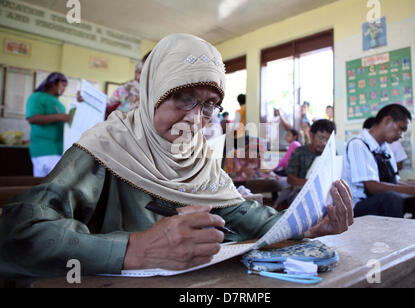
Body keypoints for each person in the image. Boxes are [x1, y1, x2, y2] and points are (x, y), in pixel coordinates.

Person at [0, 34, 353, 278]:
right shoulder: (106, 146)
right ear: (153, 89)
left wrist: (310, 225)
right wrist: (134, 248)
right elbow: (17, 231)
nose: (194, 119)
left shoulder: (197, 158)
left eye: (209, 106)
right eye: (182, 97)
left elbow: (243, 213)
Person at [343, 104, 415, 219]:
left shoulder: (385, 147)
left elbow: (395, 181)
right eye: (401, 129)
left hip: (378, 200)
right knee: (391, 199)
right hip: (357, 206)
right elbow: (372, 187)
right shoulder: (358, 144)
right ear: (387, 120)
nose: (402, 136)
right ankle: (397, 236)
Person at [26, 72, 80, 177]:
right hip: (44, 148)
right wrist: (60, 117)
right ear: (53, 83)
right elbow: (33, 118)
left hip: (59, 148)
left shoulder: (58, 103)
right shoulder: (37, 97)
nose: (64, 89)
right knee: (46, 184)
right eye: (63, 85)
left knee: (56, 183)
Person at [286, 120, 336, 202]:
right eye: (321, 138)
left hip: (325, 193)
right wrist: (312, 184)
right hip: (301, 192)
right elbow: (290, 179)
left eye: (328, 140)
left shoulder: (331, 154)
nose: (323, 143)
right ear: (311, 135)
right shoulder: (299, 152)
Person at [105, 51, 151, 118]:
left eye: (145, 73)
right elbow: (107, 108)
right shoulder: (125, 88)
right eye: (138, 72)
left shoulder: (156, 97)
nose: (138, 78)